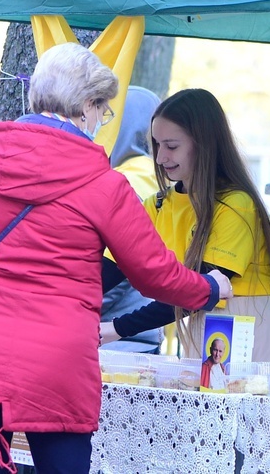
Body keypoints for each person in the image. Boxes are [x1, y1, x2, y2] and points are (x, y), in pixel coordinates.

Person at [0, 42, 232, 474]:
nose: (101, 120)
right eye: (102, 109)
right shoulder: (104, 184)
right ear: (86, 105)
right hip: (57, 359)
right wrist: (207, 289)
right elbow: (153, 273)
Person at [100, 88, 270, 366]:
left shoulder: (236, 204)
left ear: (204, 144)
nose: (161, 157)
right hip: (206, 330)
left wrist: (117, 328)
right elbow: (105, 273)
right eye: (156, 144)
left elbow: (197, 291)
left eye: (172, 146)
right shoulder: (157, 205)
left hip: (252, 331)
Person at [101, 85, 163, 354]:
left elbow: (113, 269)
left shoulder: (125, 183)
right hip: (146, 330)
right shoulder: (163, 180)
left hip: (111, 336)